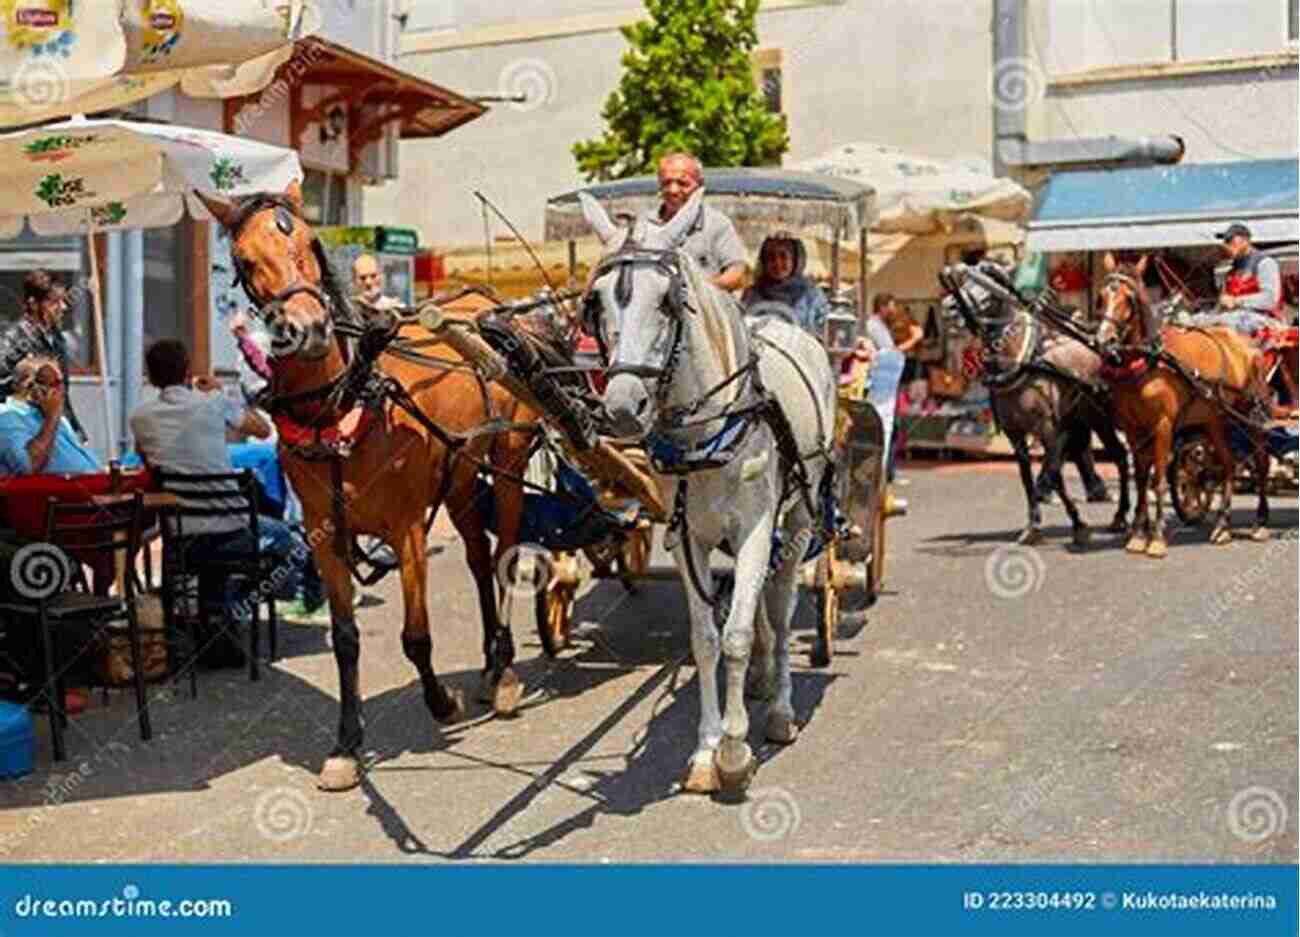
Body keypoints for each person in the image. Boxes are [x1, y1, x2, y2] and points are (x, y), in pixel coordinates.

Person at [130, 340, 323, 665]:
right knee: (290, 540)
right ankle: (228, 614)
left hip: (182, 538)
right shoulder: (212, 404)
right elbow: (263, 430)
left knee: (219, 547)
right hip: (233, 533)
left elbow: (145, 458)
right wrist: (221, 392)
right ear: (188, 370)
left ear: (150, 377)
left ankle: (216, 618)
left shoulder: (140, 417)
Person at [637, 152, 747, 292]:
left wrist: (697, 290)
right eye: (666, 183)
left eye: (682, 183)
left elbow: (737, 273)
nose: (673, 190)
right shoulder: (644, 225)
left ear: (699, 185)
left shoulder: (717, 223)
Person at [0, 271, 87, 443]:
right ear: (33, 303)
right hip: (27, 436)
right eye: (55, 302)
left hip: (58, 430)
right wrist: (26, 383)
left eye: (63, 301)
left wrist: (76, 432)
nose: (63, 307)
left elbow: (62, 394)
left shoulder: (56, 337)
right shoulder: (13, 339)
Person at [0, 356, 102, 476]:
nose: (60, 390)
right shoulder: (7, 416)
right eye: (52, 383)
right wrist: (52, 416)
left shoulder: (56, 417)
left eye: (59, 383)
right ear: (24, 385)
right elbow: (28, 466)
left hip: (94, 486)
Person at [1187, 223, 1284, 335]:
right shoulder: (1232, 271)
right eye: (1225, 241)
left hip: (1264, 320)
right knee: (1195, 320)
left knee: (1228, 320)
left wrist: (1237, 301)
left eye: (1230, 240)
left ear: (1245, 240)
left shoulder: (1265, 263)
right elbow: (1224, 304)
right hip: (1236, 317)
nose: (1226, 245)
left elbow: (1270, 300)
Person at [742, 234, 831, 337]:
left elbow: (824, 331)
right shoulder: (751, 294)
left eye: (783, 257)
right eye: (771, 258)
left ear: (795, 261)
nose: (778, 263)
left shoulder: (812, 296)